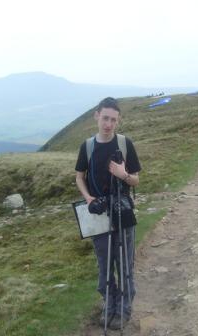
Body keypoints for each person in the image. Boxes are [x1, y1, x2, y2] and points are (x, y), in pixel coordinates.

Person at [75, 97, 141, 330]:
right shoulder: (88, 146)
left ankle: (124, 309)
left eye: (113, 120)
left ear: (118, 120)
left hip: (122, 212)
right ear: (96, 116)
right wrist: (88, 197)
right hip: (98, 214)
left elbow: (136, 179)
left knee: (124, 263)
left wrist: (123, 174)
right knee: (104, 264)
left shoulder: (125, 144)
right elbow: (79, 176)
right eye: (105, 118)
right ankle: (109, 304)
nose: (108, 124)